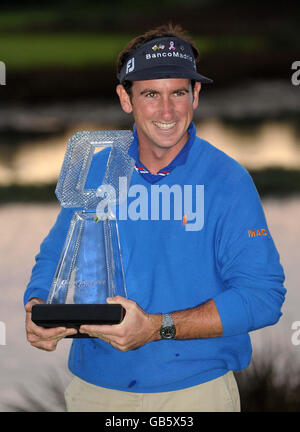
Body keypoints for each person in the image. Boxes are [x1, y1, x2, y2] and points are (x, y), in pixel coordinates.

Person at [24, 24, 286, 412]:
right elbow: (56, 256)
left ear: (195, 95)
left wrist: (157, 327)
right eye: (150, 94)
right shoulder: (97, 170)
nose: (167, 111)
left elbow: (263, 297)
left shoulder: (228, 180)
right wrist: (37, 306)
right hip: (96, 394)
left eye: (178, 92)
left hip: (197, 394)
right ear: (125, 98)